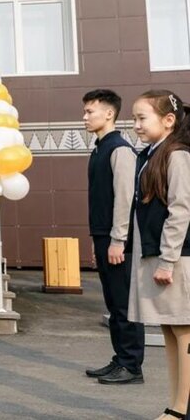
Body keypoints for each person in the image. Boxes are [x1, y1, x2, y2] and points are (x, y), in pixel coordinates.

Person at [129, 90, 190, 419]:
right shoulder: (152, 154)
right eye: (134, 118)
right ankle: (175, 404)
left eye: (142, 118)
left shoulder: (177, 155)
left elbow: (181, 210)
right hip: (162, 256)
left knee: (183, 330)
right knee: (169, 329)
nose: (136, 124)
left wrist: (167, 260)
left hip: (178, 259)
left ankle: (180, 409)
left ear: (168, 121)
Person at [81, 90, 145, 383]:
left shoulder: (119, 149)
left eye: (89, 111)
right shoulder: (98, 148)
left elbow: (125, 198)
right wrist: (99, 241)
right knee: (113, 303)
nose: (84, 117)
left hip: (119, 240)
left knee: (124, 304)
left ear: (109, 114)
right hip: (104, 237)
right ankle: (120, 358)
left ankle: (132, 366)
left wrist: (118, 239)